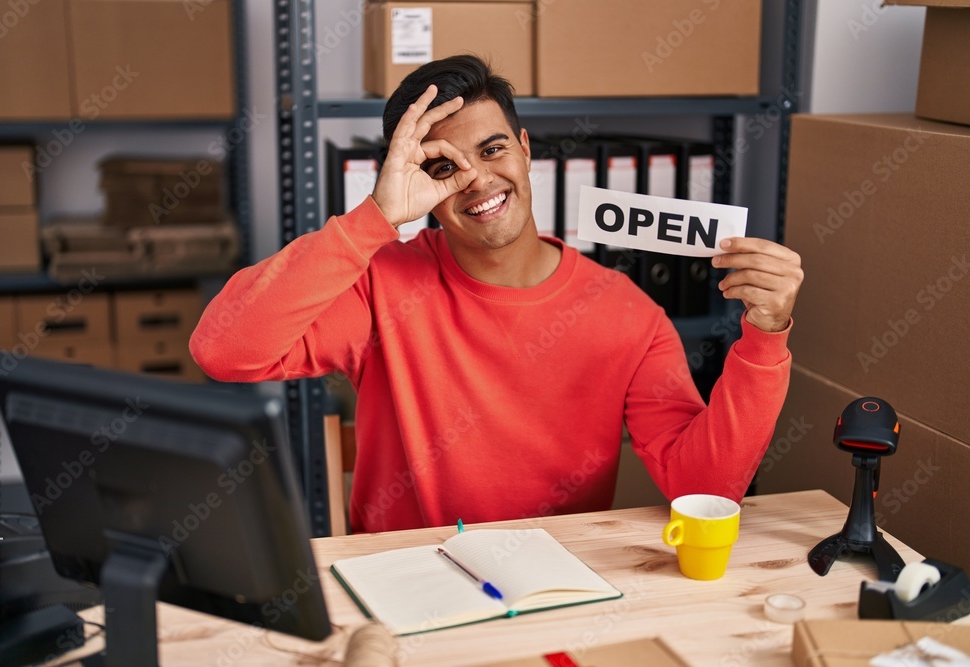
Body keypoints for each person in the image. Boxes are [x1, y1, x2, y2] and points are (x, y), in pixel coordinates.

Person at [190, 55, 803, 533]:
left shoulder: (628, 314)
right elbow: (225, 351)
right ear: (415, 181)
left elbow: (705, 489)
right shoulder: (380, 285)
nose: (478, 180)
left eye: (492, 149)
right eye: (443, 167)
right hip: (405, 586)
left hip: (555, 590)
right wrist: (375, 218)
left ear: (526, 149)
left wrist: (765, 339)